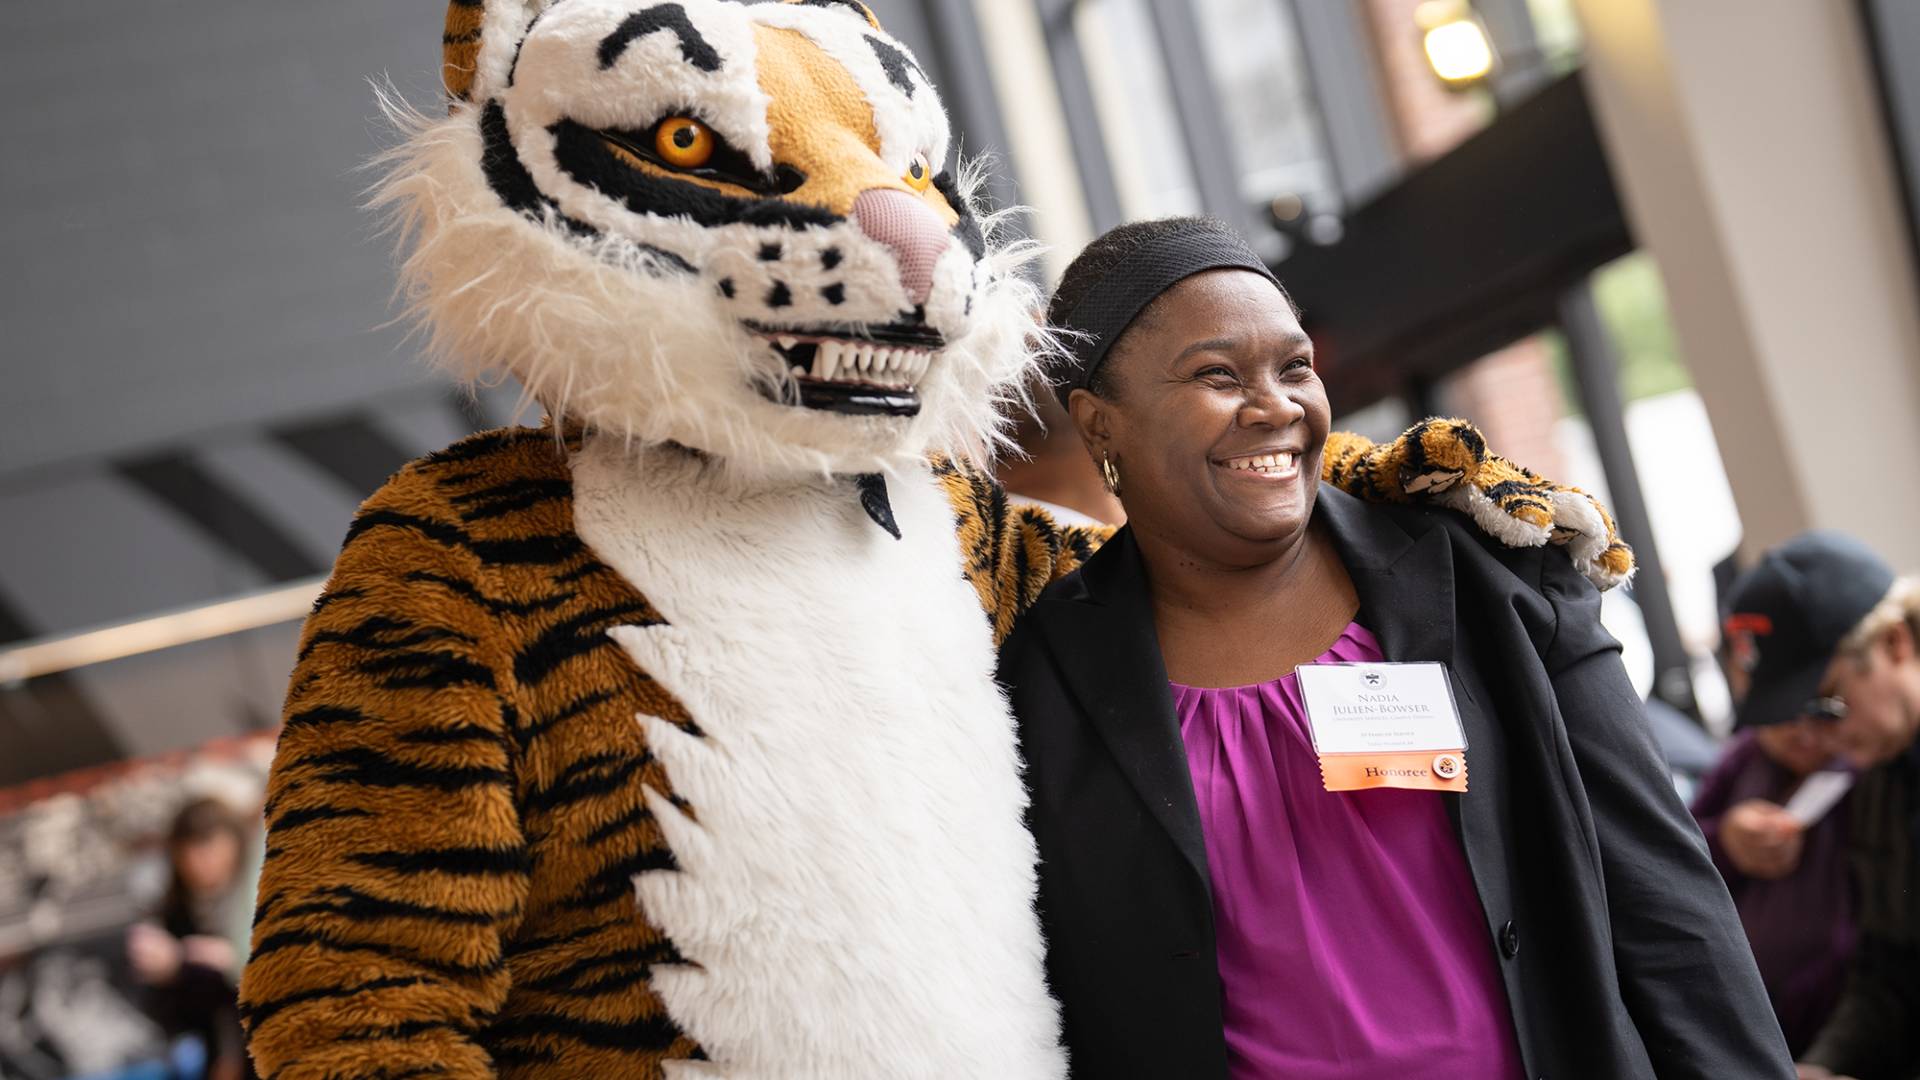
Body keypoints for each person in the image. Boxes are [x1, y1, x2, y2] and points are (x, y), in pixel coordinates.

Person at [999, 216, 1793, 1079]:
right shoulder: (1039, 679)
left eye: (1294, 366)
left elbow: (1670, 906)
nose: (1275, 406)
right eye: (1218, 375)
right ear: (1100, 423)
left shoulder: (1499, 580)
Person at [1713, 534, 1920, 1080]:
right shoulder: (1881, 775)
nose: (1817, 740)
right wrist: (1823, 1066)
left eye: (1828, 705)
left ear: (1894, 644)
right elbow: (1889, 970)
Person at [1691, 672, 1856, 1056]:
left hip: (1831, 1014)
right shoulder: (1744, 758)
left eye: (1824, 715)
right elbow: (1675, 851)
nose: (1804, 734)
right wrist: (1725, 839)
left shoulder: (1862, 771)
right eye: (1787, 713)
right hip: (1737, 1003)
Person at [128, 797, 254, 1080]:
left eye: (211, 852)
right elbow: (170, 1013)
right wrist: (174, 971)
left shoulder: (256, 898)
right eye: (192, 855)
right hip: (209, 1048)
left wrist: (231, 961)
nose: (202, 866)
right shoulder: (174, 913)